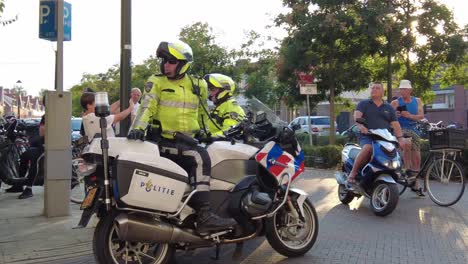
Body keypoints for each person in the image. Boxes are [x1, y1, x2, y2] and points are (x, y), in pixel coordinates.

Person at [128, 40, 236, 234]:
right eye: (164, 60)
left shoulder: (198, 84)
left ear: (183, 63)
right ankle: (204, 214)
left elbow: (204, 114)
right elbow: (147, 107)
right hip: (166, 140)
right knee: (200, 157)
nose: (165, 65)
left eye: (170, 61)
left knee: (213, 152)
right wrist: (138, 128)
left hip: (189, 140)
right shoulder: (157, 81)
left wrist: (215, 134)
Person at [348, 82, 407, 184]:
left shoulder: (388, 108)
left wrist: (400, 138)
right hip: (367, 136)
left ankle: (398, 171)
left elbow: (396, 124)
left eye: (377, 88)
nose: (374, 90)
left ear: (382, 92)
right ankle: (353, 173)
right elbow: (357, 117)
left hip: (385, 137)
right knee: (368, 148)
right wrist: (361, 126)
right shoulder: (364, 104)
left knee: (394, 150)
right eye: (373, 88)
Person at [391, 79, 425, 196]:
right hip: (401, 129)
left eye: (404, 89)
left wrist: (409, 115)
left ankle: (415, 183)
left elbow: (421, 116)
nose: (402, 91)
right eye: (401, 89)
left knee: (417, 156)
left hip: (414, 129)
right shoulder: (395, 103)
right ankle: (408, 171)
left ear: (410, 90)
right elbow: (388, 117)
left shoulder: (417, 101)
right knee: (407, 143)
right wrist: (395, 115)